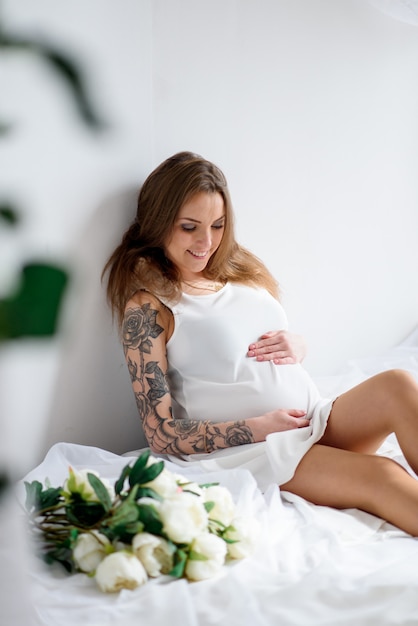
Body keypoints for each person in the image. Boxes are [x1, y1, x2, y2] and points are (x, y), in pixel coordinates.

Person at [103, 151, 418, 536]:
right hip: (255, 451)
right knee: (383, 473)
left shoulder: (236, 270)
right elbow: (160, 433)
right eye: (189, 227)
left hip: (311, 420)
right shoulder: (149, 308)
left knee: (397, 385)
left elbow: (254, 339)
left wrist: (297, 345)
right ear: (158, 222)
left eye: (218, 225)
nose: (206, 242)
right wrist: (259, 428)